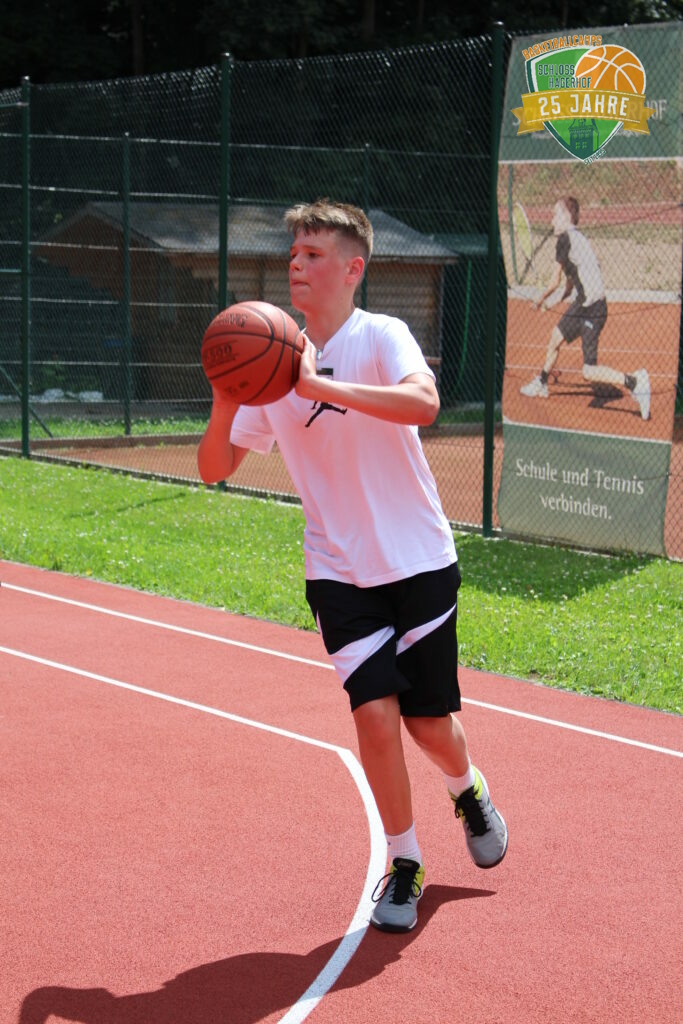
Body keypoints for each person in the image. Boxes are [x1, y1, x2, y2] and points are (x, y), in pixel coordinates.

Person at [198, 199, 507, 934]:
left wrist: (319, 387)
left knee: (429, 725)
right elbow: (214, 468)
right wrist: (224, 397)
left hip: (417, 559)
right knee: (373, 716)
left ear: (351, 268)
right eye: (293, 254)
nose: (296, 265)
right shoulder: (270, 360)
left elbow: (423, 403)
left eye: (312, 254)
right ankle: (404, 861)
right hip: (337, 569)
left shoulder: (381, 334)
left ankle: (466, 788)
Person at [520, 196, 651, 420]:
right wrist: (553, 302)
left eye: (555, 215)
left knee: (588, 371)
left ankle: (634, 381)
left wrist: (539, 300)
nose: (551, 221)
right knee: (555, 338)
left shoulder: (564, 239)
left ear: (566, 216)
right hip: (585, 304)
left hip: (592, 308)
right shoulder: (577, 238)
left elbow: (554, 281)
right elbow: (569, 285)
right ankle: (542, 382)